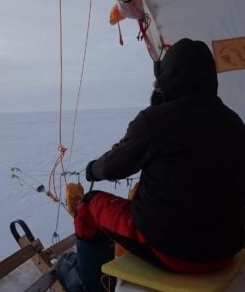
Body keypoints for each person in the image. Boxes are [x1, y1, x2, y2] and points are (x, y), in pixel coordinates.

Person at [56, 38, 245, 292]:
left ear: (167, 78)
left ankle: (87, 282)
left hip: (172, 251)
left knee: (88, 206)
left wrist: (92, 169)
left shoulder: (154, 121)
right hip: (225, 251)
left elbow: (114, 165)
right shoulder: (234, 122)